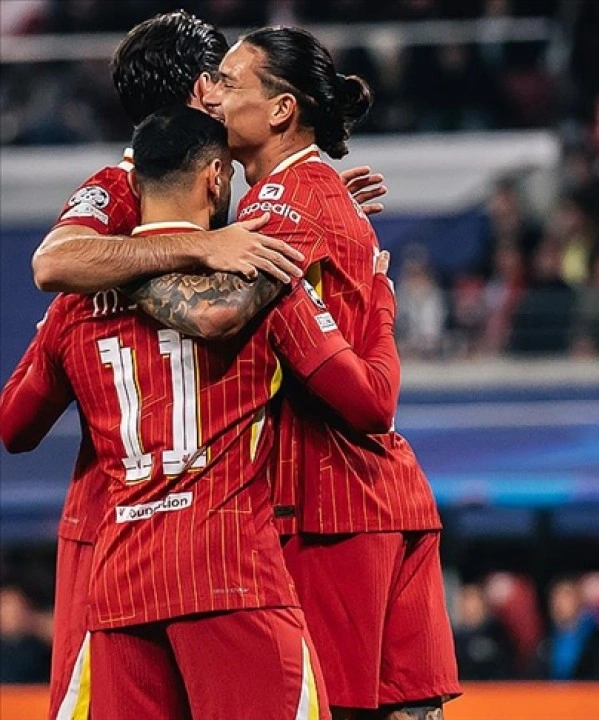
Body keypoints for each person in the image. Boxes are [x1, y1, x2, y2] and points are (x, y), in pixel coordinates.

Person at [21, 12, 386, 717]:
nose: (224, 91)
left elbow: (17, 416)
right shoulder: (124, 186)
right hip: (160, 523)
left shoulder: (226, 203)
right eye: (219, 77)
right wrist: (201, 248)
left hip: (170, 530)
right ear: (199, 90)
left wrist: (312, 213)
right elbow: (53, 263)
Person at [206, 27, 459, 719]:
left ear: (281, 109)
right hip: (384, 497)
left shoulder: (278, 209)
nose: (213, 97)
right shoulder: (310, 196)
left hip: (328, 506)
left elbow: (213, 323)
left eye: (228, 82)